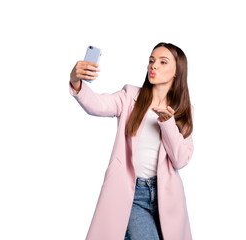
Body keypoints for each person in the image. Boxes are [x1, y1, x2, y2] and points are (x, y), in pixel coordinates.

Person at [69, 42, 194, 240]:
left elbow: (181, 159)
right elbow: (97, 105)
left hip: (166, 198)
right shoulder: (130, 97)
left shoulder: (183, 111)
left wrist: (168, 123)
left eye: (163, 62)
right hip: (131, 194)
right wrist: (76, 82)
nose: (154, 66)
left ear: (177, 72)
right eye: (152, 61)